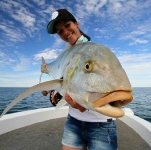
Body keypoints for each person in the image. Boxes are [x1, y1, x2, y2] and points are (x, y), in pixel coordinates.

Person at [44, 9, 118, 150]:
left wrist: (87, 103)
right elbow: (65, 81)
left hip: (101, 125)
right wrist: (57, 93)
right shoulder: (66, 56)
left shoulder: (96, 52)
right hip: (74, 122)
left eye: (67, 25)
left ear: (76, 24)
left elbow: (114, 88)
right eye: (60, 31)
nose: (65, 32)